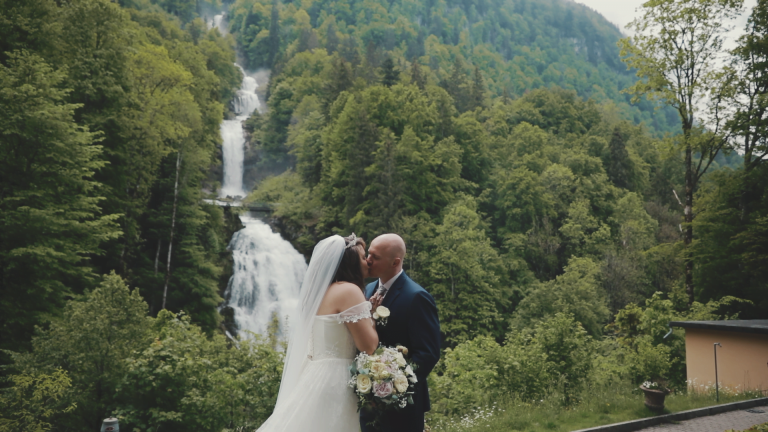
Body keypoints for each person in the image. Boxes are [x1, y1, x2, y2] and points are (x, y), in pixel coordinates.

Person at [255, 233, 378, 432]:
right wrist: (371, 316)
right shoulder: (349, 290)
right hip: (338, 379)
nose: (368, 262)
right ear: (351, 263)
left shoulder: (323, 291)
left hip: (315, 373)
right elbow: (369, 346)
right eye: (364, 257)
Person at [361, 233, 441, 432]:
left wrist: (393, 386)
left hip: (404, 406)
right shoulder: (367, 289)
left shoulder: (417, 297)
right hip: (367, 402)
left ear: (395, 262)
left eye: (375, 257)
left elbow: (428, 353)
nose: (368, 260)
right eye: (368, 254)